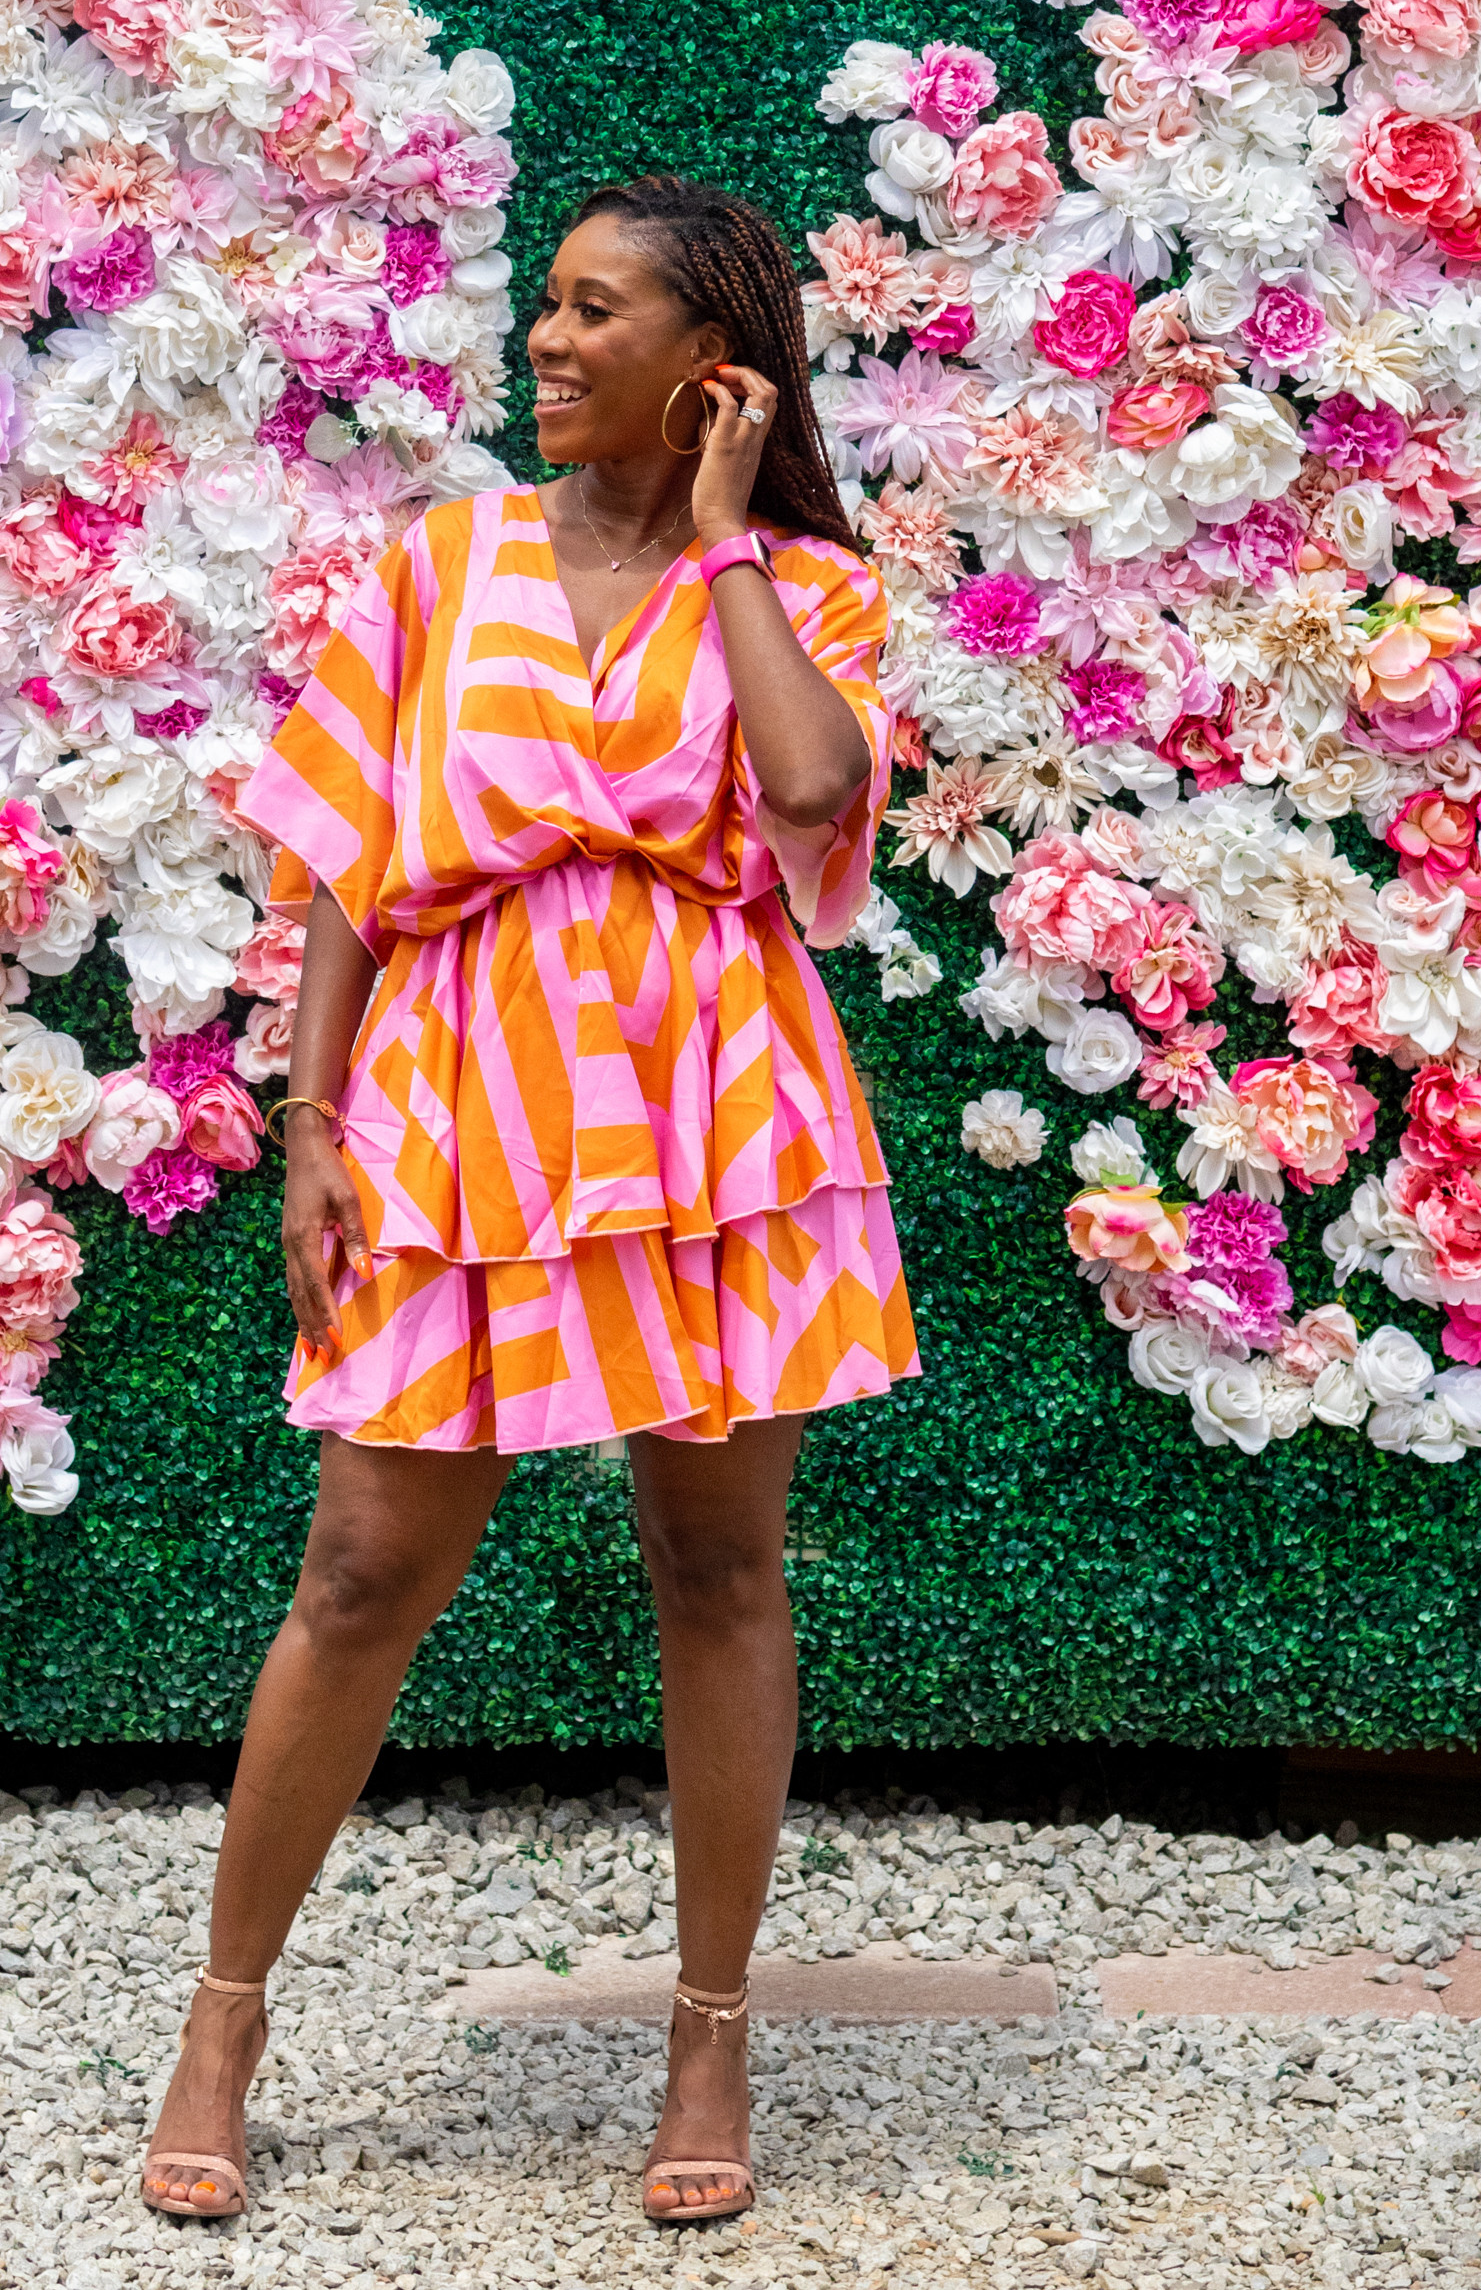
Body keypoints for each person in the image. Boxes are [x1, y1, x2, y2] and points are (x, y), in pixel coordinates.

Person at [139, 173, 918, 2230]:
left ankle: (707, 2035)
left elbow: (816, 794)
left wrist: (734, 542)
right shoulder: (440, 563)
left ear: (711, 361)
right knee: (360, 1569)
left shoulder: (804, 589)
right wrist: (308, 1120)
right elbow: (344, 854)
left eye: (594, 312)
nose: (546, 345)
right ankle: (223, 2018)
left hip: (708, 1112)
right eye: (542, 308)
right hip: (452, 1105)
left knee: (716, 1571)